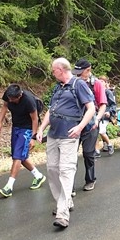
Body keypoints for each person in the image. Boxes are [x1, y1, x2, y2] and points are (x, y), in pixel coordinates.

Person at [36, 58, 95, 229]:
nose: (52, 73)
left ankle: (63, 214)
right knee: (52, 169)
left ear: (61, 69)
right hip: (54, 134)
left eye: (54, 70)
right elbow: (50, 110)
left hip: (70, 134)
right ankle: (65, 200)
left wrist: (80, 126)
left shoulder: (79, 84)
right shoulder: (58, 87)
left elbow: (91, 108)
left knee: (66, 170)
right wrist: (41, 129)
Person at [0, 84, 46, 197]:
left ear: (20, 96)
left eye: (13, 99)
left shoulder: (28, 100)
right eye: (10, 99)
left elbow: (35, 119)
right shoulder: (9, 95)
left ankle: (9, 187)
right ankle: (39, 176)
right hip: (16, 127)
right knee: (20, 157)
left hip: (27, 129)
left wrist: (33, 137)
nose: (11, 101)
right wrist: (0, 122)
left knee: (17, 157)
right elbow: (4, 106)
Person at [71, 58, 107, 191]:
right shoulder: (73, 82)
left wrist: (97, 118)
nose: (78, 75)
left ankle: (90, 179)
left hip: (91, 124)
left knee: (88, 153)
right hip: (75, 123)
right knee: (71, 155)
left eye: (80, 72)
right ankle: (70, 185)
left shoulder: (96, 84)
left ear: (88, 70)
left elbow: (102, 105)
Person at [94, 75, 116, 157]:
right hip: (97, 115)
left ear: (106, 83)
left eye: (102, 81)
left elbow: (113, 105)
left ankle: (110, 144)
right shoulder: (96, 92)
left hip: (105, 116)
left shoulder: (108, 92)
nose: (100, 83)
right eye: (99, 81)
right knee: (95, 133)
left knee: (101, 131)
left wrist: (110, 112)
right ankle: (96, 150)